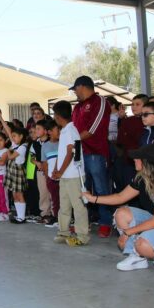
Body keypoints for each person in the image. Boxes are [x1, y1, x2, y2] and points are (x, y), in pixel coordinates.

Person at [85, 145, 154, 272]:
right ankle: (137, 256)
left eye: (138, 157)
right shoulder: (141, 178)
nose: (134, 159)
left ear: (147, 162)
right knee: (121, 214)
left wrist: (128, 233)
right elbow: (120, 197)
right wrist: (93, 198)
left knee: (142, 244)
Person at [69, 76, 113, 237]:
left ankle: (105, 222)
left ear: (82, 86)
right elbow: (72, 128)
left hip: (96, 152)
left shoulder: (99, 101)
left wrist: (73, 140)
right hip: (79, 153)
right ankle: (82, 222)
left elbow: (93, 128)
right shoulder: (77, 107)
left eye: (75, 88)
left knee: (101, 188)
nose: (74, 92)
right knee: (81, 188)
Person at [52, 100, 89, 246]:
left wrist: (60, 171)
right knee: (64, 206)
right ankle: (63, 232)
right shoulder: (65, 130)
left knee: (78, 207)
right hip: (65, 176)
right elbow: (61, 154)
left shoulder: (71, 130)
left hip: (74, 175)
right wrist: (57, 169)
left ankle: (82, 236)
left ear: (58, 116)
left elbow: (70, 152)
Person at [0, 114, 28, 225]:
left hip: (18, 172)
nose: (13, 137)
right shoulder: (15, 144)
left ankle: (22, 217)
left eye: (15, 136)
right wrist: (1, 119)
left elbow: (10, 157)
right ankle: (19, 216)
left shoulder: (22, 147)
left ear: (21, 137)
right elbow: (8, 129)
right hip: (11, 171)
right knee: (14, 194)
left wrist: (6, 150)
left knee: (19, 194)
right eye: (13, 136)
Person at [117, 93, 148, 187]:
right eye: (132, 104)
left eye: (137, 104)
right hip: (129, 161)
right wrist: (121, 120)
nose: (133, 107)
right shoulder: (127, 121)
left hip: (146, 163)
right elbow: (120, 140)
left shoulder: (149, 121)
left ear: (146, 106)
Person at [40, 119, 60, 226]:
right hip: (51, 177)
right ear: (49, 132)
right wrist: (47, 176)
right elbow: (44, 162)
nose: (60, 132)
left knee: (64, 199)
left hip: (62, 176)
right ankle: (56, 217)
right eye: (57, 130)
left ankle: (65, 218)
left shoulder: (62, 143)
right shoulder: (45, 145)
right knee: (54, 198)